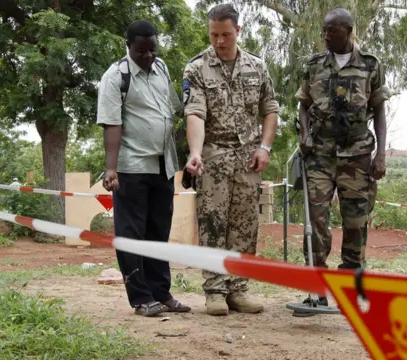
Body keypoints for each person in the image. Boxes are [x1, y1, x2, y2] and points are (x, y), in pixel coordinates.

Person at [182, 3, 279, 316]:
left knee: (245, 225)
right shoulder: (196, 68)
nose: (219, 41)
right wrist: (195, 153)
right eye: (214, 35)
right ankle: (214, 290)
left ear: (238, 31)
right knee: (213, 222)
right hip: (214, 154)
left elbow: (271, 110)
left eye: (225, 34)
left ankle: (238, 288)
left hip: (248, 157)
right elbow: (195, 113)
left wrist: (264, 147)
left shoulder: (257, 66)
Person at [295, 8, 392, 306]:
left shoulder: (370, 65)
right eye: (324, 31)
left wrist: (381, 156)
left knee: (355, 223)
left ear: (349, 31)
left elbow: (379, 111)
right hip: (320, 157)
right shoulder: (314, 65)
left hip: (358, 156)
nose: (325, 36)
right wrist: (305, 135)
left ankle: (350, 288)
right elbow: (303, 105)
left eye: (332, 31)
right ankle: (317, 287)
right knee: (316, 221)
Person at [96, 19, 190, 317]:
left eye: (152, 49)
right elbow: (112, 123)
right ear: (129, 46)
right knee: (132, 234)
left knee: (158, 232)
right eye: (142, 51)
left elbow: (172, 111)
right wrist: (111, 170)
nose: (148, 56)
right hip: (131, 167)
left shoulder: (161, 68)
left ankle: (161, 293)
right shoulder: (115, 77)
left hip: (163, 165)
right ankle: (140, 298)